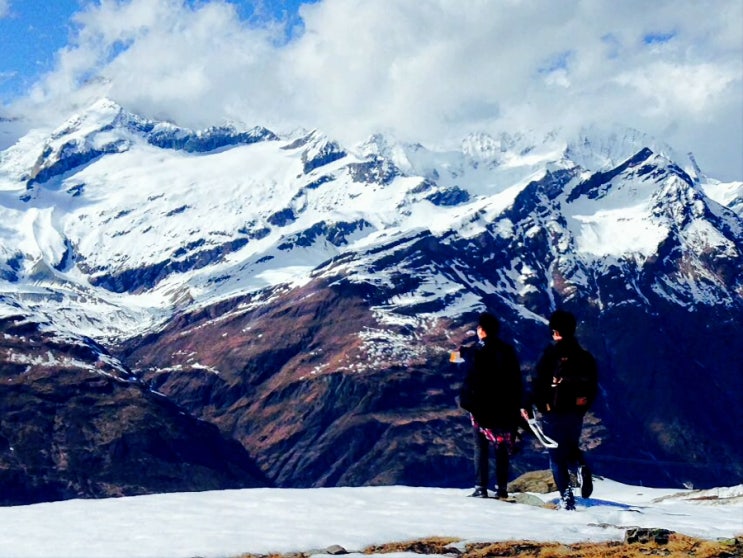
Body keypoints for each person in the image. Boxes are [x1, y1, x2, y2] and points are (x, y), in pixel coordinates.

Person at [521, 309, 598, 510]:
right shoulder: (584, 356)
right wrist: (583, 407)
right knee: (571, 445)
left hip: (552, 410)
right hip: (576, 411)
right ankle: (581, 466)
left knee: (556, 456)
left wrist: (527, 405)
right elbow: (593, 385)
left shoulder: (550, 354)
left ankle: (566, 499)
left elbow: (536, 381)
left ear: (555, 331)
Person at [457, 312, 523, 499]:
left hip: (481, 408)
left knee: (481, 447)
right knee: (501, 447)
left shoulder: (476, 352)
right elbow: (516, 380)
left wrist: (467, 402)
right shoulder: (507, 351)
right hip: (504, 407)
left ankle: (481, 487)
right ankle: (502, 487)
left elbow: (470, 378)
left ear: (482, 330)